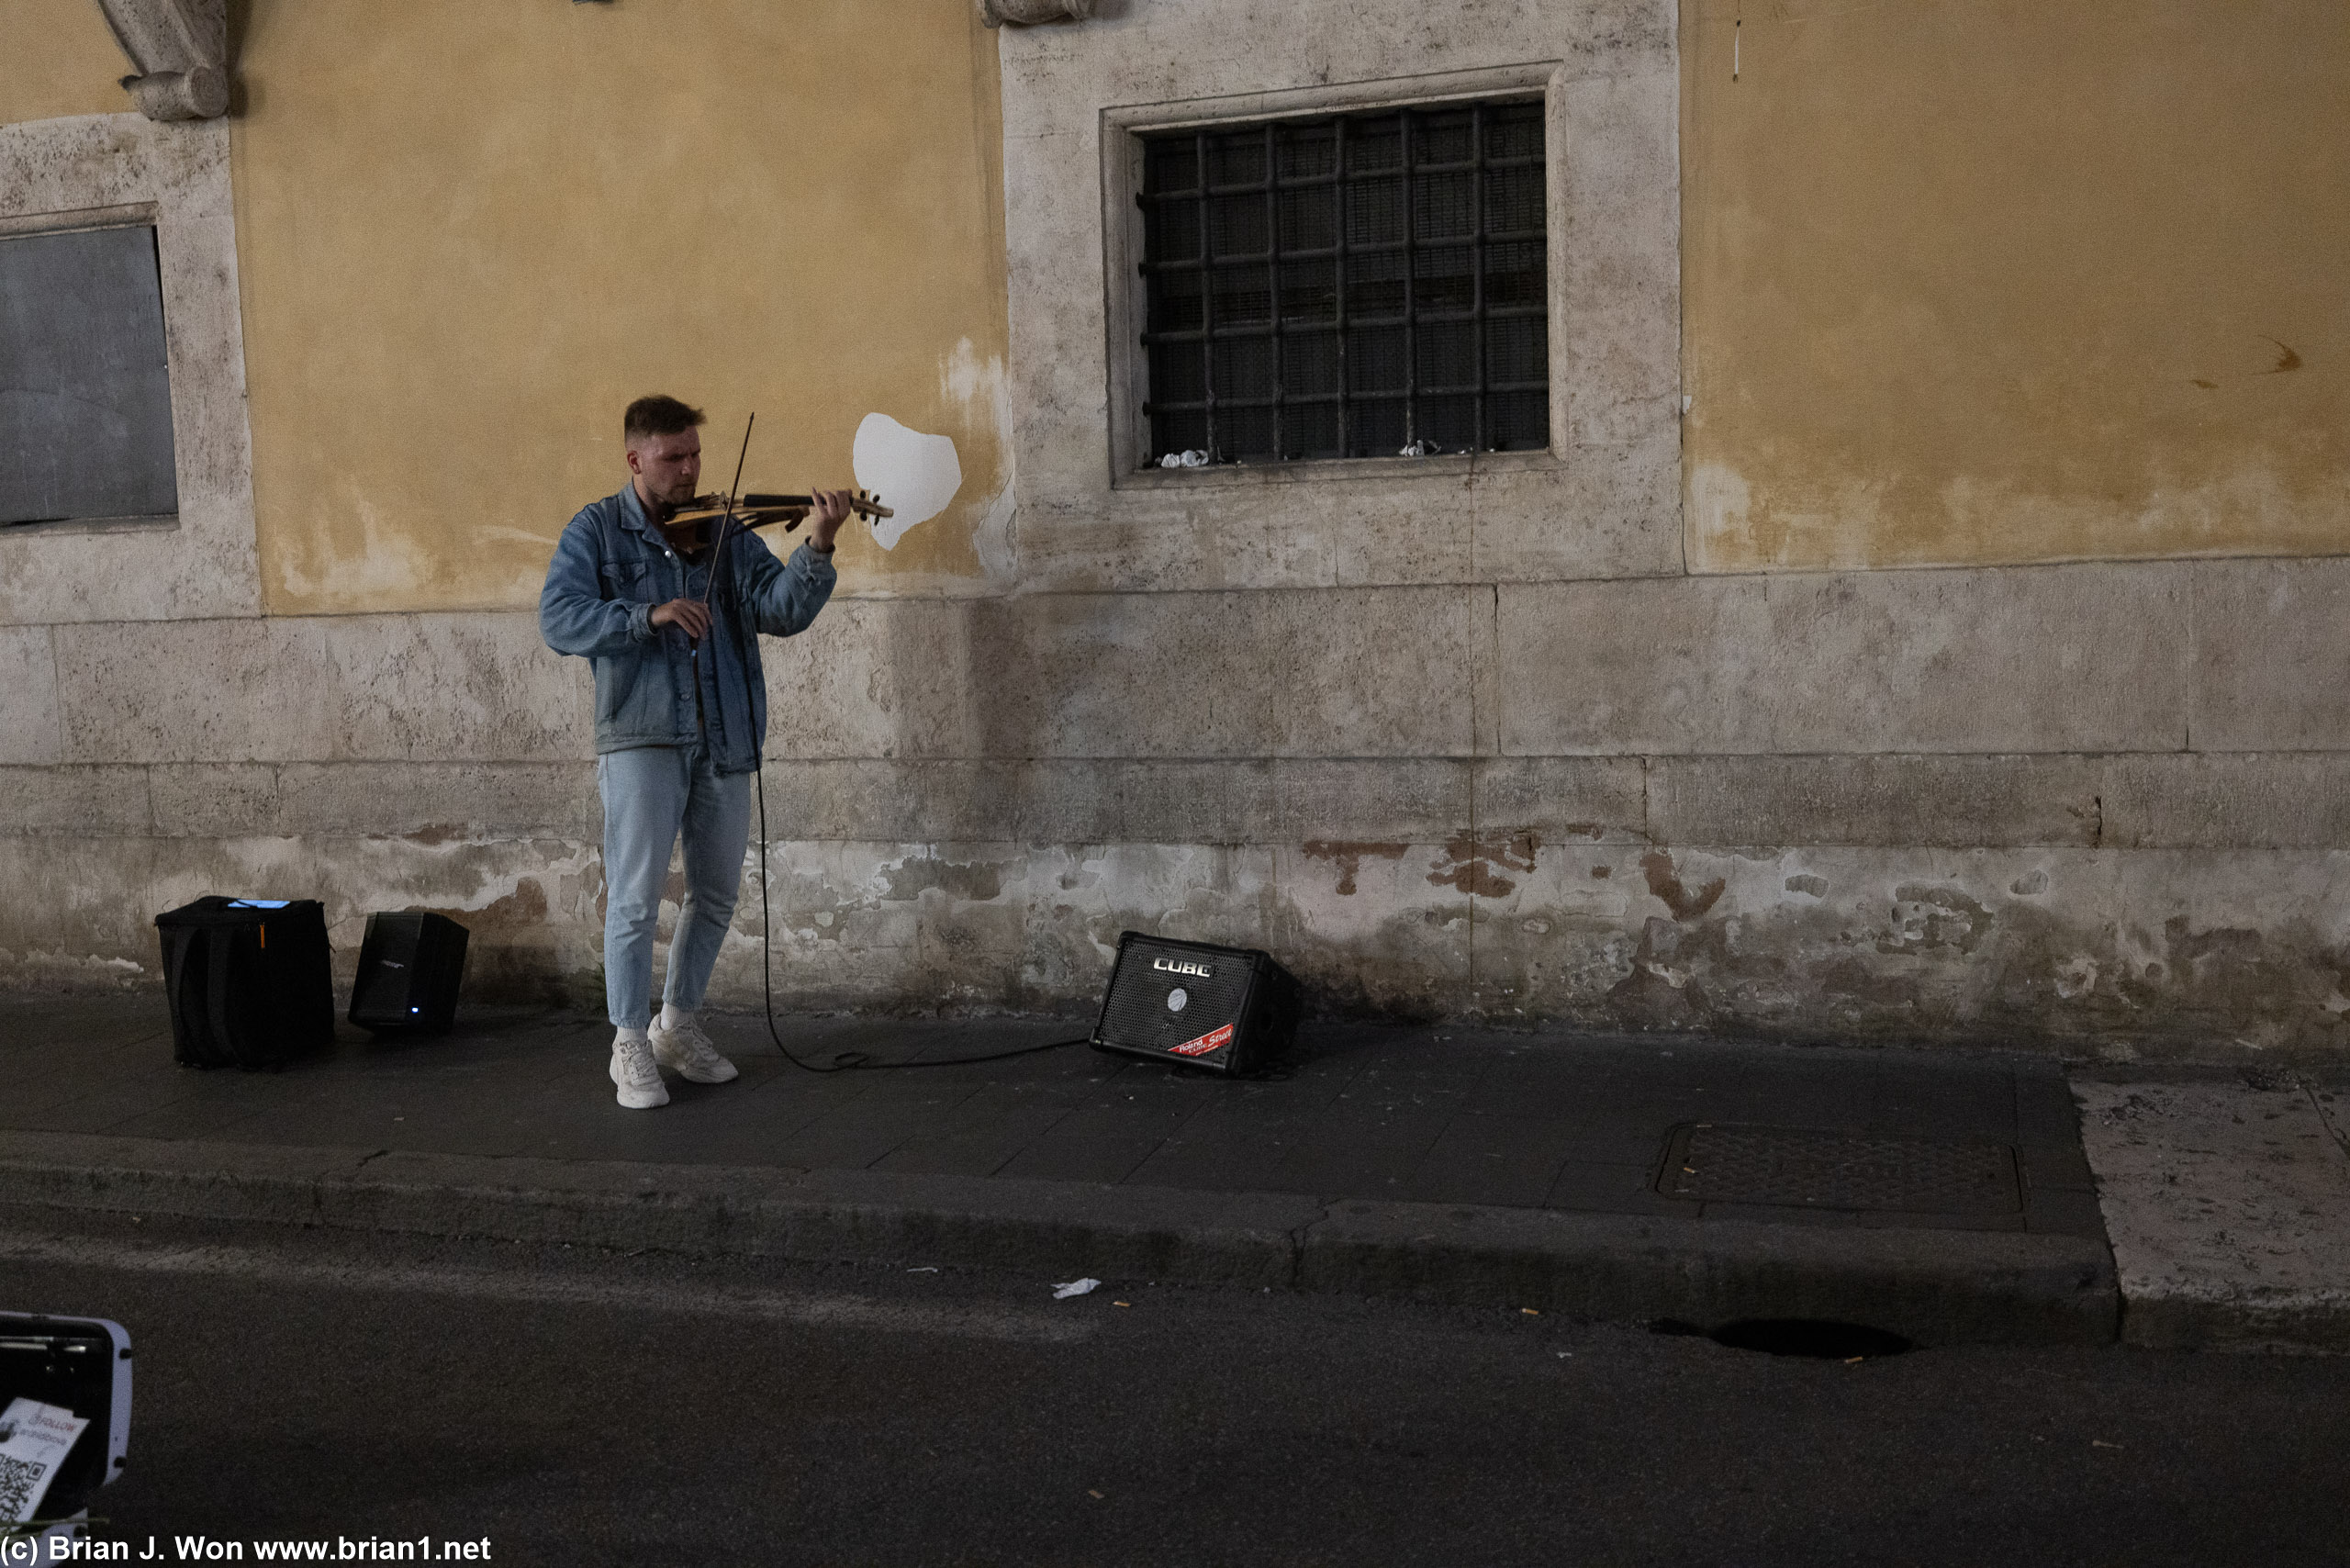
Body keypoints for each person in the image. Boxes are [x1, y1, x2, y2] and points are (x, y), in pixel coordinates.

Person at [540, 395, 851, 1108]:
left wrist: (820, 545)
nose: (689, 469)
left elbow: (781, 610)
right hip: (643, 736)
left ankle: (677, 1023)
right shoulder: (597, 530)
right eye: (673, 456)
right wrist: (643, 614)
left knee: (714, 895)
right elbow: (558, 618)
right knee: (637, 898)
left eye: (694, 455)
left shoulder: (724, 532)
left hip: (725, 734)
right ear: (635, 458)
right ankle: (627, 1043)